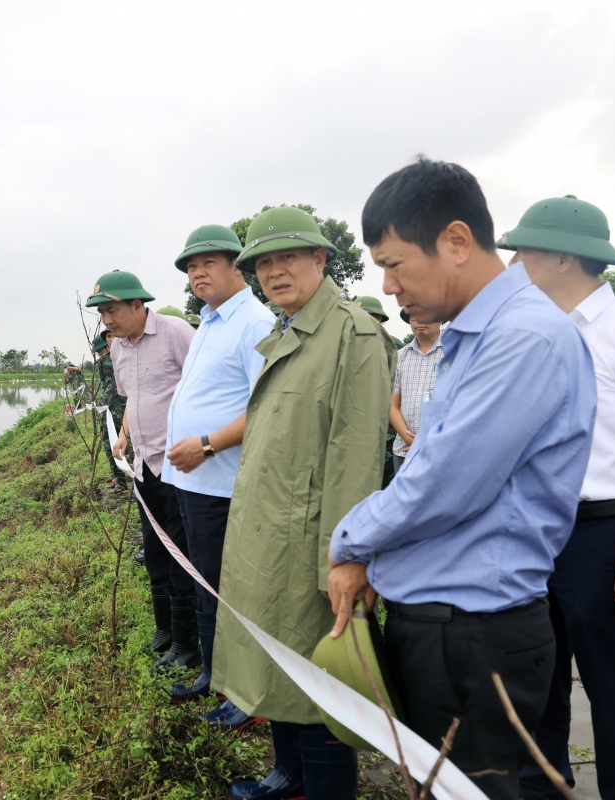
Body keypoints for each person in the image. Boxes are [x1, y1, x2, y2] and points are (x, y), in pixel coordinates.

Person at [328, 158, 596, 800]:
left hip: (472, 636)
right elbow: (427, 464)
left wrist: (350, 540)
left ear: (454, 240)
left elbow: (443, 485)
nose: (388, 287)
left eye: (394, 264)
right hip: (447, 626)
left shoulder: (524, 338)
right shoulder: (474, 336)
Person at [501, 195, 615, 800]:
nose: (510, 266)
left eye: (520, 252)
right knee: (536, 683)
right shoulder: (530, 333)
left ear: (560, 257)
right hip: (533, 532)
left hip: (604, 534)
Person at [213, 206, 394, 800]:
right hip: (268, 542)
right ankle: (287, 775)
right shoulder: (287, 330)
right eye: (263, 263)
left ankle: (323, 789)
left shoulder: (353, 334)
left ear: (321, 258)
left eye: (288, 256)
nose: (274, 271)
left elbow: (355, 457)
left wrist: (343, 560)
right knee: (279, 669)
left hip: (313, 548)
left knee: (318, 684)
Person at [161, 224, 272, 732]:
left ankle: (244, 692)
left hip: (220, 483)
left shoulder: (254, 322)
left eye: (207, 263)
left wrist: (206, 445)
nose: (197, 273)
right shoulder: (208, 322)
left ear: (236, 265)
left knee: (227, 590)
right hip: (189, 480)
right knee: (202, 581)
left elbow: (264, 407)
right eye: (190, 267)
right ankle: (214, 672)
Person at [86, 270, 198, 668]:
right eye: (101, 314)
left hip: (181, 464)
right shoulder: (118, 348)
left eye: (112, 310)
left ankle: (187, 645)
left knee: (182, 552)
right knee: (155, 551)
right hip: (144, 464)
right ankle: (165, 630)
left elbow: (206, 388)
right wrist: (124, 436)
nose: (107, 321)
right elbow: (132, 397)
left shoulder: (175, 332)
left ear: (138, 304)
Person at [355, 295, 405, 488]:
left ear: (379, 319)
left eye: (368, 316)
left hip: (387, 430)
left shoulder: (394, 346)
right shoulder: (346, 345)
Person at [389, 310, 443, 476]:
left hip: (442, 451)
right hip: (405, 452)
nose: (420, 320)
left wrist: (428, 440)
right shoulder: (400, 357)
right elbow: (392, 406)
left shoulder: (455, 354)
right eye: (415, 316)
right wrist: (409, 438)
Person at [91, 333, 129, 494]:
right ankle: (118, 477)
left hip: (118, 408)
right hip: (109, 408)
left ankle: (123, 480)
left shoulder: (122, 355)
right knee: (113, 442)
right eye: (108, 337)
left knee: (118, 442)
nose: (112, 339)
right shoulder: (105, 361)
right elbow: (104, 384)